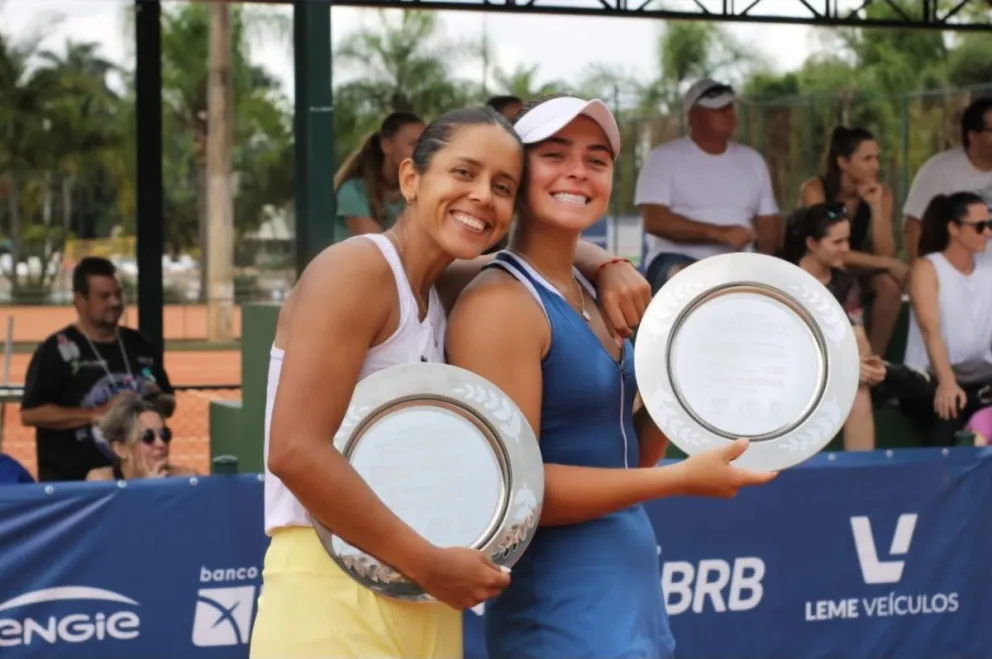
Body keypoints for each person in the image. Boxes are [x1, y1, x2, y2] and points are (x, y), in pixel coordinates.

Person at [250, 105, 655, 659]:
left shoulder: (445, 283)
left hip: (426, 593)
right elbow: (295, 450)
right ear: (411, 178)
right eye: (463, 173)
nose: (483, 196)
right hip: (334, 584)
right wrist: (425, 562)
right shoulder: (355, 271)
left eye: (503, 186)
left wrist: (607, 263)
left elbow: (538, 258)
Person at [445, 95, 777, 659]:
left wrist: (681, 386)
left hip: (629, 600)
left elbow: (627, 460)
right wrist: (679, 479)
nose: (578, 170)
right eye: (555, 154)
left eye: (597, 160)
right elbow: (513, 495)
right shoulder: (500, 303)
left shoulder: (601, 293)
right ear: (519, 174)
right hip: (559, 614)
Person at [20, 257, 174, 482]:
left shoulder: (138, 344)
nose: (114, 302)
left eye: (118, 294)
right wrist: (98, 413)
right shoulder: (55, 350)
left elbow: (167, 403)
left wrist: (146, 403)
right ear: (80, 301)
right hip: (72, 488)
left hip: (135, 483)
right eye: (104, 296)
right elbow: (30, 413)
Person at [636, 78, 781, 292]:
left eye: (730, 107)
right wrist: (719, 233)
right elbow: (654, 220)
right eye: (720, 109)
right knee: (686, 279)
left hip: (738, 261)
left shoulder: (752, 160)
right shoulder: (663, 158)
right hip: (673, 260)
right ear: (693, 115)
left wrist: (763, 255)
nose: (729, 113)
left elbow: (769, 221)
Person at [781, 203, 886, 451]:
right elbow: (786, 346)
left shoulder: (846, 284)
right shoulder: (785, 279)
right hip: (784, 370)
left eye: (847, 241)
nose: (846, 249)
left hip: (829, 372)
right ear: (812, 243)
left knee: (859, 389)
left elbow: (858, 335)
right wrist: (845, 367)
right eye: (837, 242)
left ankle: (860, 477)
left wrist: (868, 366)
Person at [799, 126, 906, 357]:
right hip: (821, 265)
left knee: (889, 287)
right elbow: (827, 249)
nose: (875, 166)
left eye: (877, 158)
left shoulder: (881, 192)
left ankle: (873, 363)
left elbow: (885, 252)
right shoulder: (815, 190)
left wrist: (876, 207)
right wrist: (889, 264)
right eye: (867, 159)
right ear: (843, 162)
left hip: (859, 267)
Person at [903, 191, 992, 446]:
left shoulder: (988, 268)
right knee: (948, 412)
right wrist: (947, 383)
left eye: (990, 225)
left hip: (980, 377)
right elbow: (931, 330)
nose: (987, 232)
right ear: (954, 228)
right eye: (980, 226)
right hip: (932, 378)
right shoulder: (927, 268)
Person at [902, 97, 992, 263]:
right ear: (973, 136)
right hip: (954, 273)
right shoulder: (938, 170)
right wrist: (919, 275)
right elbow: (913, 228)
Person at [334, 111, 426, 240]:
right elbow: (378, 246)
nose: (424, 152)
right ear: (386, 145)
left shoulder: (420, 189)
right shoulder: (353, 190)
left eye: (426, 146)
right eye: (414, 145)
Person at [86, 394, 196, 480]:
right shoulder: (103, 481)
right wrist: (147, 491)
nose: (161, 443)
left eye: (164, 434)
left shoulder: (186, 480)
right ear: (121, 449)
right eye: (148, 437)